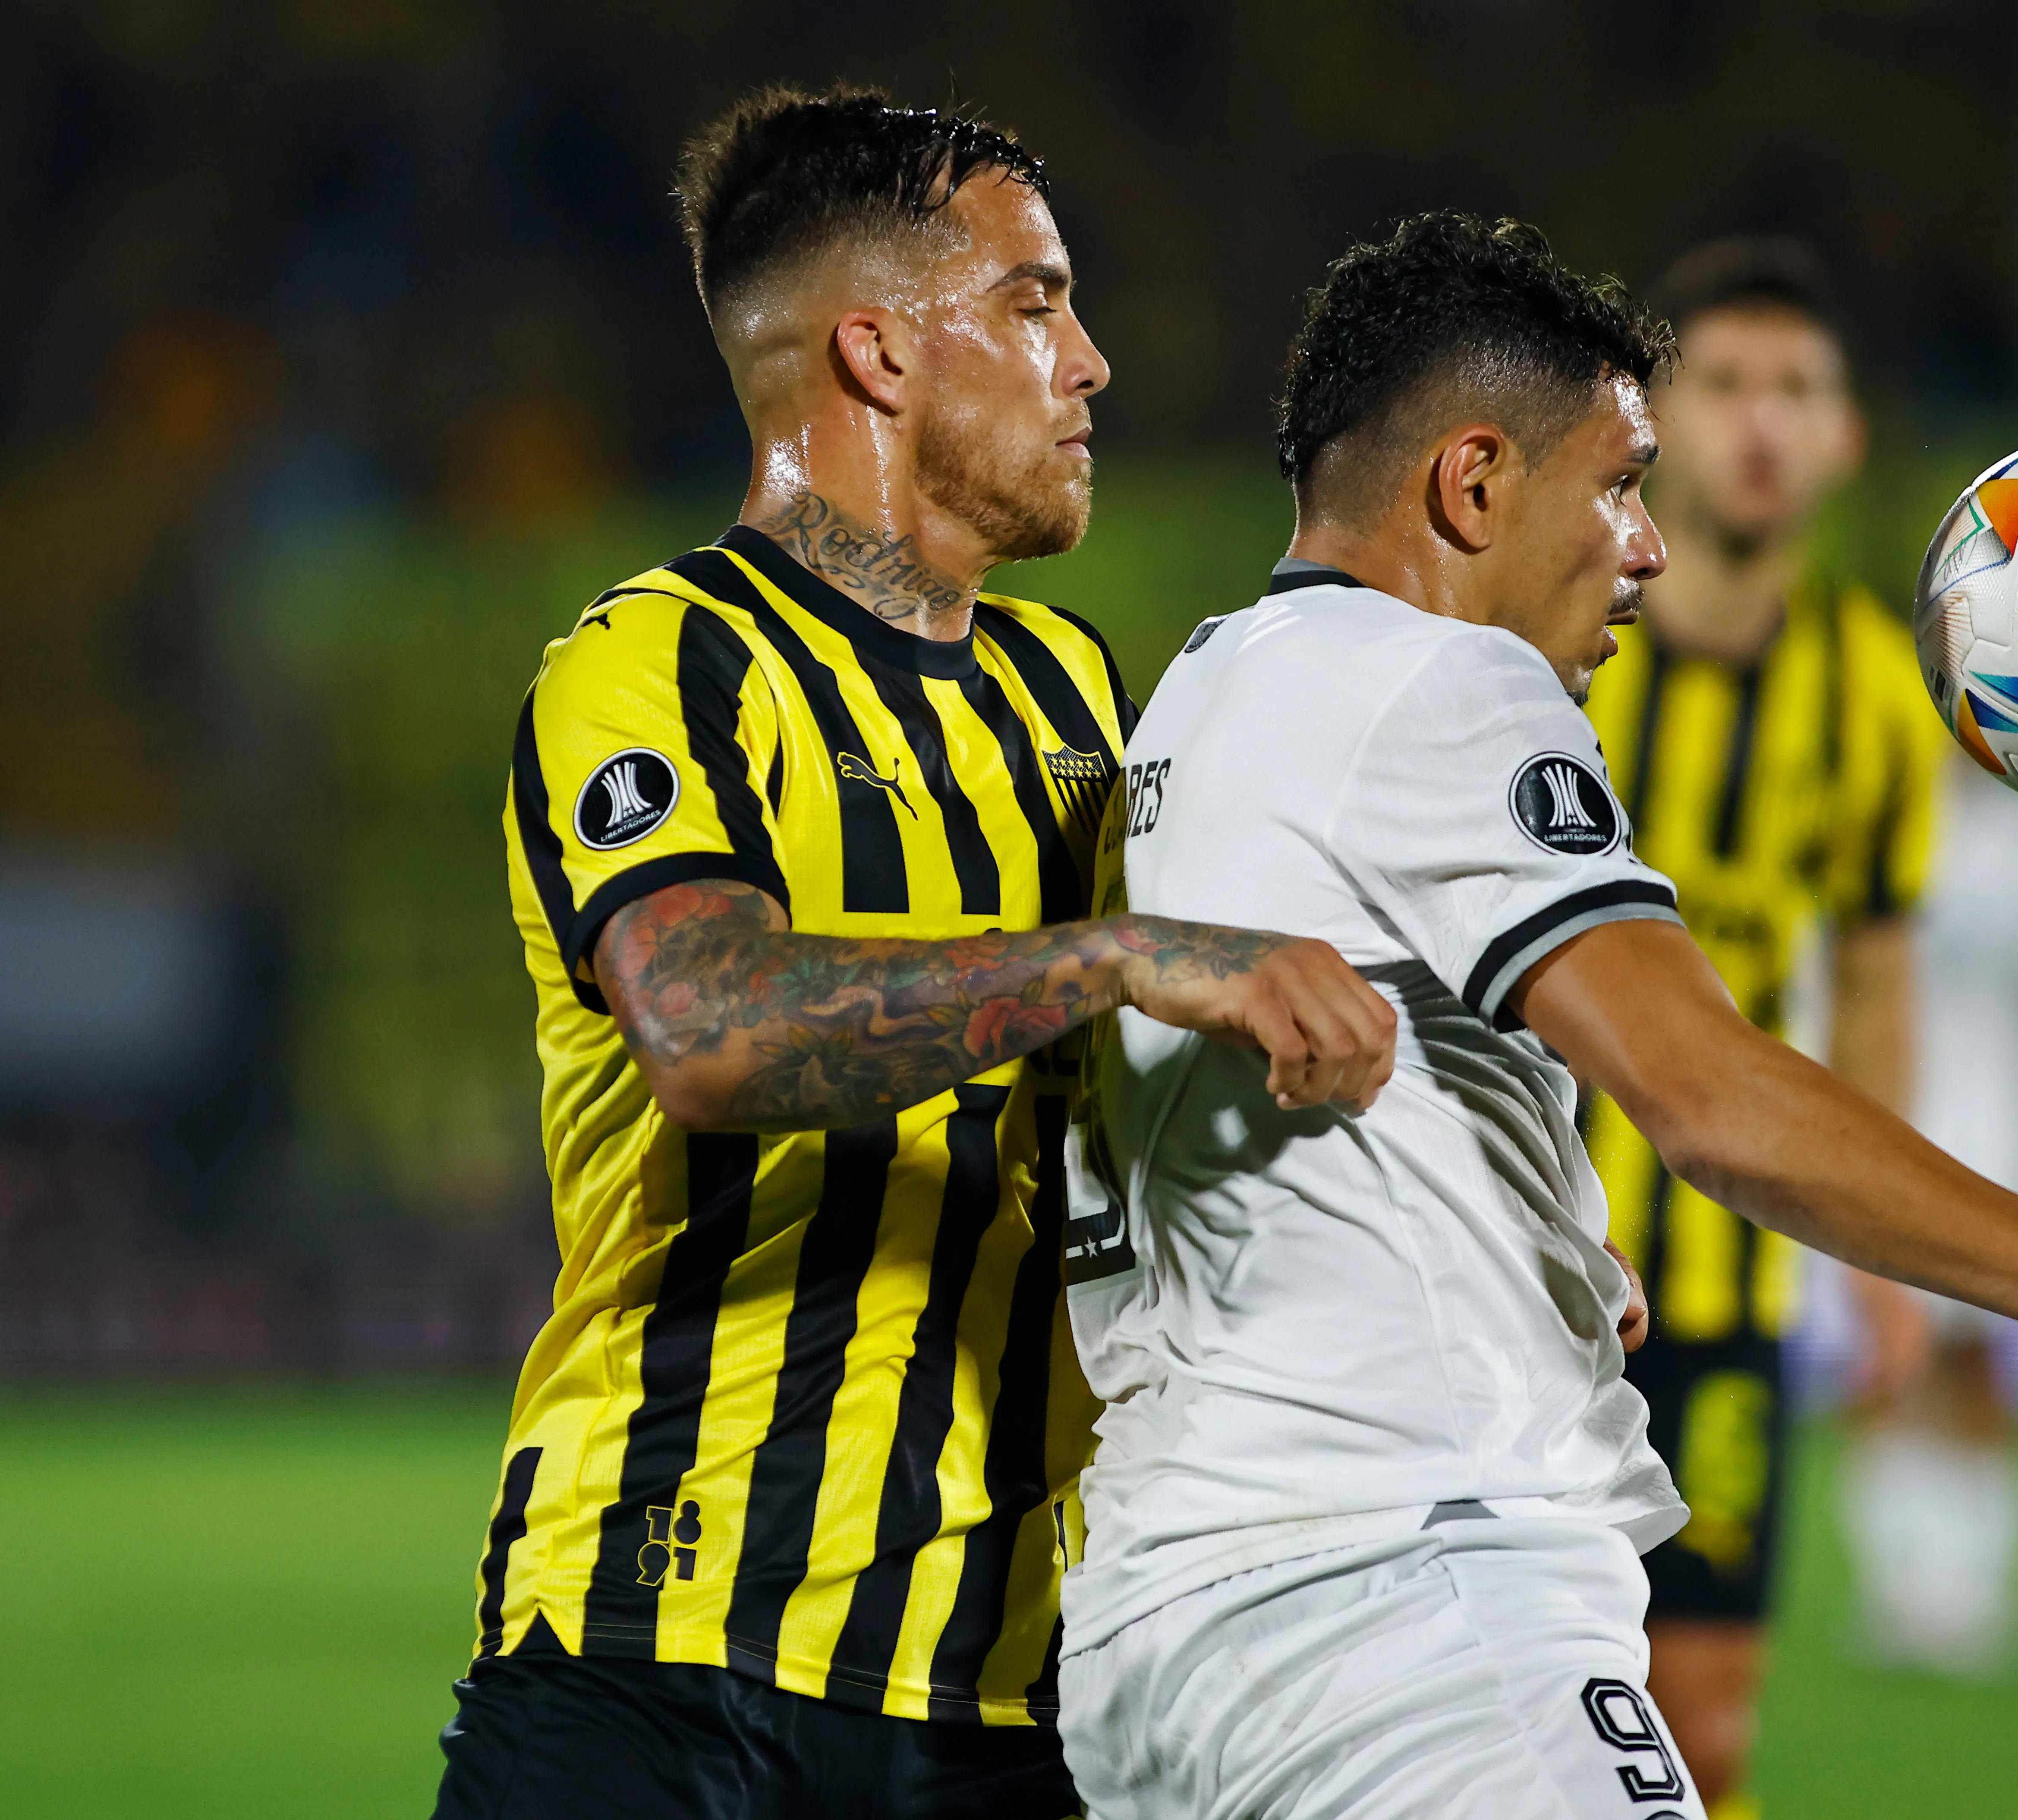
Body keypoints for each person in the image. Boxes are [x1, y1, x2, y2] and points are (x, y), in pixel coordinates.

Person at [1057, 211, 2018, 1820]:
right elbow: (1710, 1098)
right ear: (1472, 484)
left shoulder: (1204, 687)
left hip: (1168, 1618)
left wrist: (1530, 1239)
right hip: (1414, 1608)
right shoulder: (1452, 684)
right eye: (1618, 482)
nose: (1646, 544)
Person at [439, 88, 1396, 1820]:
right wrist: (1107, 955)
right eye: (1035, 304)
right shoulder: (659, 667)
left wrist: (1487, 1225)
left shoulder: (1072, 692)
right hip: (660, 1653)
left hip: (1007, 1689)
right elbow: (708, 1026)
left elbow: (1196, 1068)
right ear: (875, 352)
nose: (1089, 363)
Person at [1571, 235, 1946, 1809]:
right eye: (1724, 382)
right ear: (1650, 421)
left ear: (1842, 435)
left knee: (1704, 1734)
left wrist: (1882, 1248)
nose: (1761, 421)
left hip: (1726, 1278)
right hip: (1522, 1247)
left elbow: (1873, 973)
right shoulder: (1552, 647)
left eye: (1795, 388)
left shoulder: (1874, 690)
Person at [1840, 745, 2018, 1676]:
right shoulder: (1868, 804)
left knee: (1980, 1359)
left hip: (2007, 1121)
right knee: (1887, 1349)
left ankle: (1977, 1588)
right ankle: (1897, 1586)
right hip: (1889, 1114)